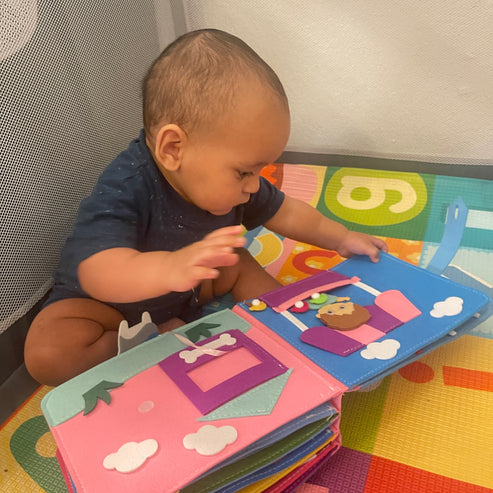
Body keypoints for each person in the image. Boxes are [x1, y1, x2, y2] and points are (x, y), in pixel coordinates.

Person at [24, 29, 387, 386]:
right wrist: (169, 268)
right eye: (244, 171)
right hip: (108, 310)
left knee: (234, 261)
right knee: (48, 353)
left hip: (190, 289)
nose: (254, 184)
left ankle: (291, 326)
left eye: (260, 170)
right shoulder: (126, 185)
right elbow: (98, 272)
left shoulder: (236, 183)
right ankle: (142, 347)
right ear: (173, 149)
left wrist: (341, 238)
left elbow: (287, 211)